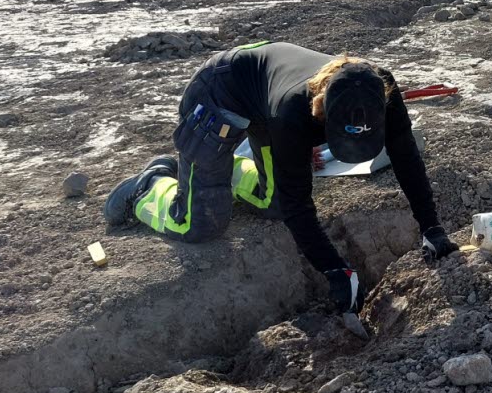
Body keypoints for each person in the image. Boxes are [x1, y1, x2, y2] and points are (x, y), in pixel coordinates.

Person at [103, 42, 457, 314]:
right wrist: (335, 271)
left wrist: (432, 228)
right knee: (200, 224)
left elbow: (405, 156)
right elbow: (298, 206)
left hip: (263, 97)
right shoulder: (294, 113)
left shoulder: (380, 89)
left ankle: (214, 173)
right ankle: (150, 186)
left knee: (272, 203)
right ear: (322, 114)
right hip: (220, 93)